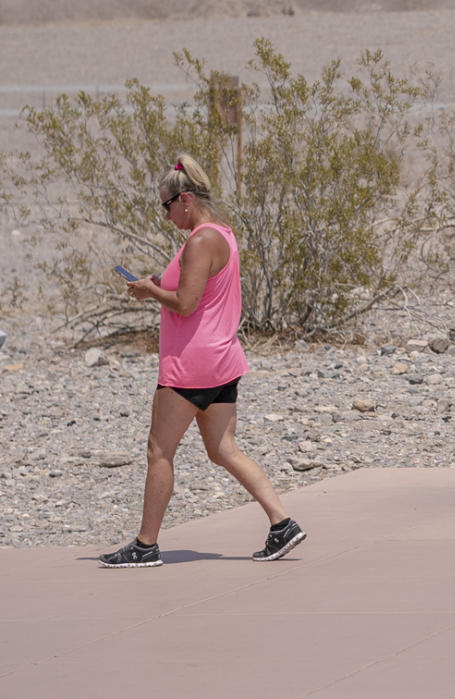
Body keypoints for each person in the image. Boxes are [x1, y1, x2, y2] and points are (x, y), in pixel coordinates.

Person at [99, 155, 306, 568]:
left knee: (159, 451)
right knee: (223, 448)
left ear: (186, 199)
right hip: (222, 358)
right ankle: (282, 523)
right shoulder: (222, 235)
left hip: (191, 364)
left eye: (167, 206)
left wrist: (149, 291)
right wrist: (160, 286)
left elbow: (187, 303)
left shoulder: (199, 240)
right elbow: (198, 293)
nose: (166, 214)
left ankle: (145, 545)